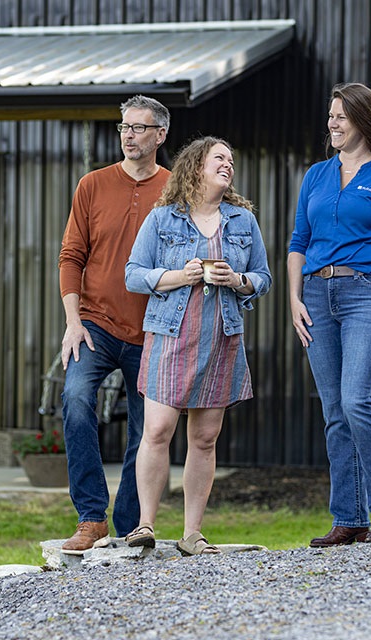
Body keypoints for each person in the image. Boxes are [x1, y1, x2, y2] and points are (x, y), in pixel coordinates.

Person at [124, 136, 272, 555]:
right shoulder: (162, 219)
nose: (228, 164)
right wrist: (178, 275)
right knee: (156, 431)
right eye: (219, 158)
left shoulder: (242, 221)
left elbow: (263, 276)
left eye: (231, 159)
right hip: (170, 335)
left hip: (220, 337)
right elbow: (133, 274)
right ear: (196, 167)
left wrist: (239, 281)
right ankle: (144, 525)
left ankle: (192, 534)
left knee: (205, 439)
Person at [287, 82, 371, 546]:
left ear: (364, 120)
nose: (333, 124)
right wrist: (294, 298)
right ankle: (348, 516)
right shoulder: (317, 175)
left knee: (356, 400)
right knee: (334, 411)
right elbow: (297, 243)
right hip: (317, 297)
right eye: (330, 117)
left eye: (341, 116)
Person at [57, 95, 171, 555]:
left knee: (146, 431)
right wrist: (72, 322)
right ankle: (90, 518)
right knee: (76, 397)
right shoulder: (92, 185)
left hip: (155, 329)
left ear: (160, 135)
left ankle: (128, 524)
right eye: (124, 126)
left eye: (139, 128)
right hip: (95, 324)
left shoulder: (175, 189)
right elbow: (71, 257)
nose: (129, 134)